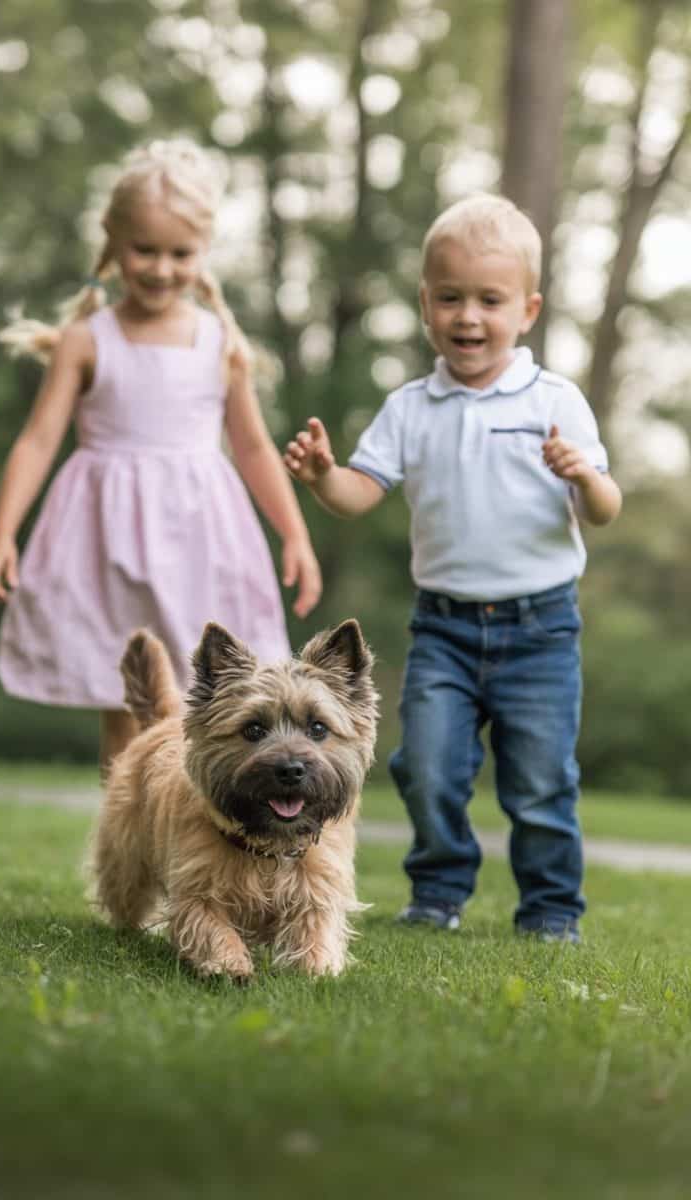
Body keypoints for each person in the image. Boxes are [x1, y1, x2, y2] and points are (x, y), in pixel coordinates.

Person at [284, 193, 621, 943]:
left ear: (527, 310)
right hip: (444, 626)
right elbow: (358, 495)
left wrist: (585, 476)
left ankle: (550, 909)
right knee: (428, 768)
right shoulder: (410, 408)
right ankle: (437, 891)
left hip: (541, 629)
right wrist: (320, 477)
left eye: (489, 300)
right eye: (451, 298)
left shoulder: (555, 400)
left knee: (540, 784)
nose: (469, 316)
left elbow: (604, 509)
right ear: (426, 305)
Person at [0, 138, 321, 774]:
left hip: (201, 539)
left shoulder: (219, 342)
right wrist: (2, 535)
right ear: (114, 240)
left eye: (180, 253)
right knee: (129, 699)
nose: (162, 268)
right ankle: (128, 857)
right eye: (145, 250)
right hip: (104, 540)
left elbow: (251, 446)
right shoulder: (87, 339)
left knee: (210, 698)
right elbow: (38, 440)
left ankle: (195, 844)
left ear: (204, 251)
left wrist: (293, 534)